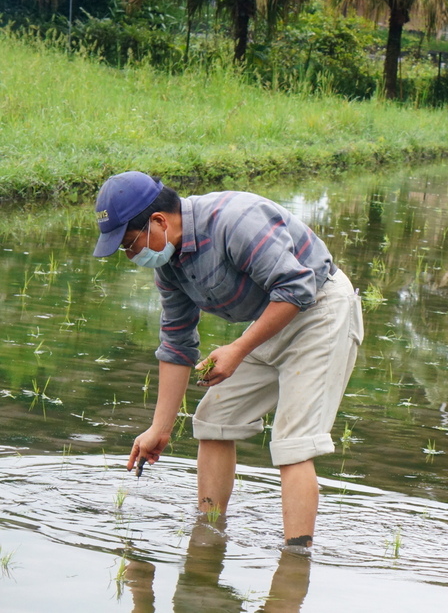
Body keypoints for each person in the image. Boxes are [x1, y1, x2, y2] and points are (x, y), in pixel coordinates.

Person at [92, 171, 363, 547]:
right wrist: (160, 428)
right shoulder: (170, 265)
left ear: (158, 221)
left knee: (292, 441)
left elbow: (297, 285)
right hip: (274, 316)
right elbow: (177, 342)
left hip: (321, 310)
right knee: (215, 419)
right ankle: (208, 533)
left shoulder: (233, 221)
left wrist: (237, 349)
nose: (131, 255)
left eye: (130, 244)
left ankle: (295, 561)